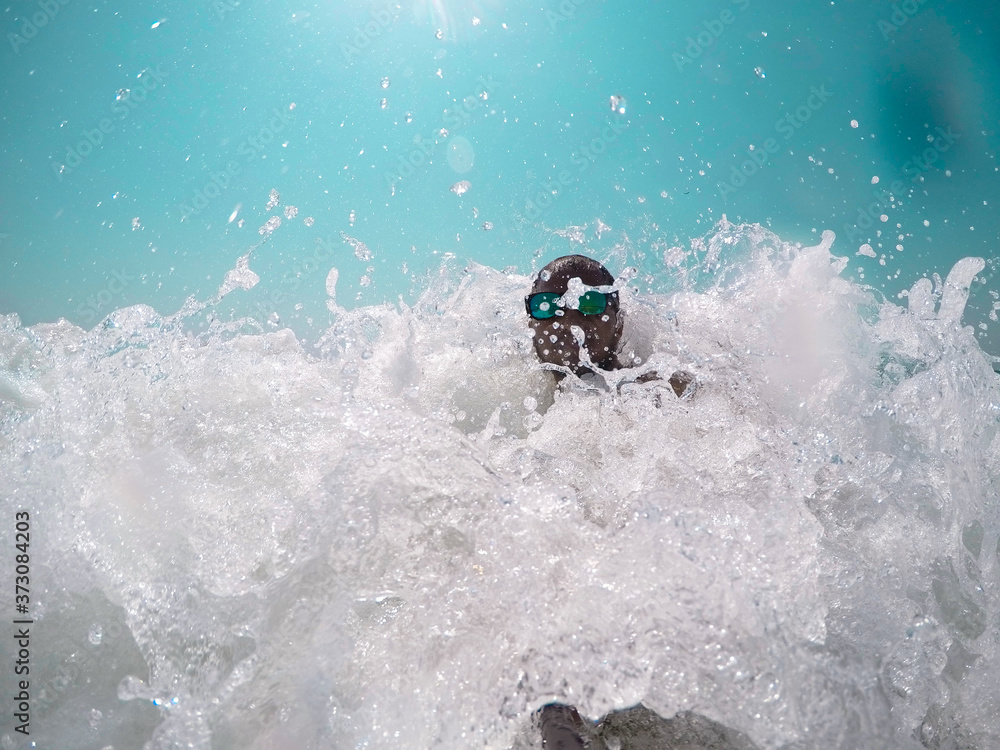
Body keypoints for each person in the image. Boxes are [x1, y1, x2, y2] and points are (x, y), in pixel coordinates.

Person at [525, 254, 694, 397]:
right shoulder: (512, 398)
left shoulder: (665, 393)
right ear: (530, 325)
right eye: (546, 305)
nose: (570, 321)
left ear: (618, 325)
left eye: (590, 304)